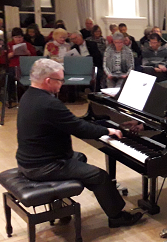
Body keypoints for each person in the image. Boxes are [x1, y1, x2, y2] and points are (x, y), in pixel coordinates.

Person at [16, 59, 143, 228]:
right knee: (100, 176)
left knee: (80, 157)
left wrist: (100, 126)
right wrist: (108, 130)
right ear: (48, 81)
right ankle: (117, 217)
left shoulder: (28, 95)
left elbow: (69, 123)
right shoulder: (49, 103)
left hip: (29, 160)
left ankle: (60, 208)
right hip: (43, 166)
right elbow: (79, 128)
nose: (62, 83)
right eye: (60, 80)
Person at [1, 28, 37, 105]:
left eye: (20, 37)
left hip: (26, 67)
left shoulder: (27, 45)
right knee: (10, 75)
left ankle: (28, 96)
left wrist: (29, 53)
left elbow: (35, 57)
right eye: (16, 37)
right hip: (14, 66)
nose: (19, 39)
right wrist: (9, 55)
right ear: (13, 37)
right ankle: (12, 96)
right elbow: (2, 59)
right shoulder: (9, 45)